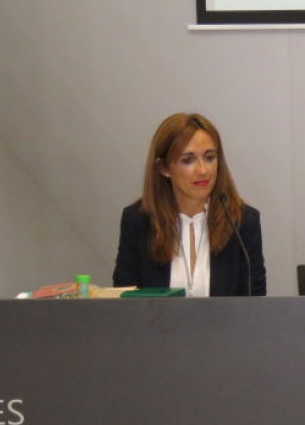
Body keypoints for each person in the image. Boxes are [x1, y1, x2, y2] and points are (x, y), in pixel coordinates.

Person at [113, 112, 266, 296]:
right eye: (188, 160)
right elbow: (124, 302)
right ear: (164, 168)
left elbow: (255, 304)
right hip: (157, 325)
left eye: (210, 158)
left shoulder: (242, 220)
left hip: (226, 326)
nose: (203, 170)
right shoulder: (139, 220)